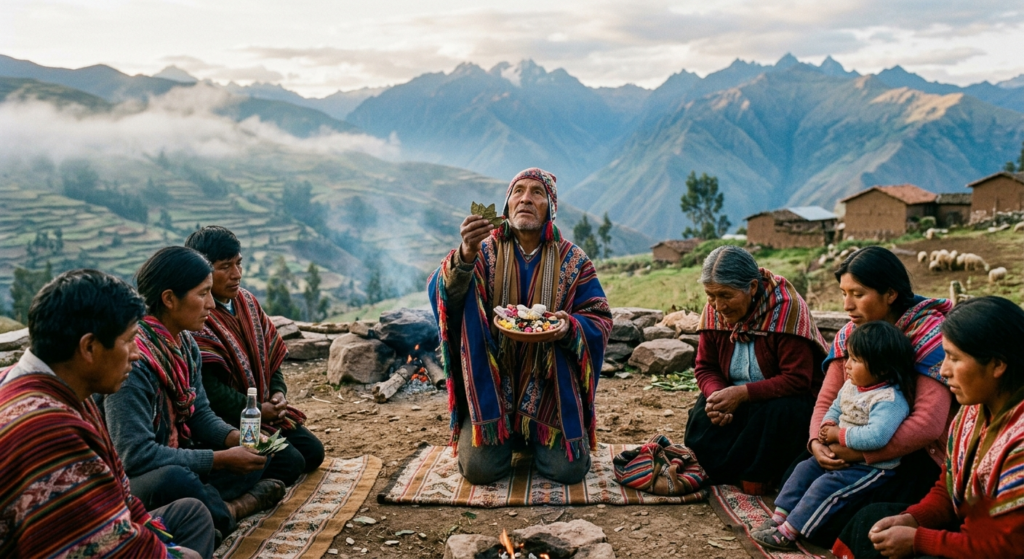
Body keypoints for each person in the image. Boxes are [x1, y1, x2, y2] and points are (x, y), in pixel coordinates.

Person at [0, 269, 215, 559]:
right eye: (128, 341)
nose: (136, 353)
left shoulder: (39, 382)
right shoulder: (48, 433)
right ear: (89, 347)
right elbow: (101, 546)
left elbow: (120, 503)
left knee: (191, 515)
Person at [427, 167, 612, 485]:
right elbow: (444, 297)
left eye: (537, 193)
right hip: (492, 388)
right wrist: (465, 256)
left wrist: (569, 326)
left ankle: (534, 435)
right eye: (518, 191)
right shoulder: (482, 251)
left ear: (550, 208)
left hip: (550, 390)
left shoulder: (574, 260)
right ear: (506, 206)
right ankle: (503, 435)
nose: (526, 198)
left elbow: (599, 317)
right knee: (480, 471)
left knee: (566, 471)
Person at [101, 247, 286, 537]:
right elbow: (135, 456)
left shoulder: (186, 345)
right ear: (170, 299)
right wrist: (221, 459)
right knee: (176, 479)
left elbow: (201, 415)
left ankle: (210, 507)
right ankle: (235, 509)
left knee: (266, 455)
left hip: (179, 452)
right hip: (133, 477)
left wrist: (237, 438)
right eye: (203, 294)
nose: (212, 304)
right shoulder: (133, 363)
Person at [790, 246, 955, 547]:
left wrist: (859, 453)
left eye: (858, 294)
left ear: (890, 294)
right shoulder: (853, 335)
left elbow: (927, 424)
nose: (847, 305)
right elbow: (828, 399)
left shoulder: (929, 336)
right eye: (843, 293)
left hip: (912, 455)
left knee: (846, 523)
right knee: (801, 474)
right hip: (852, 435)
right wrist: (818, 442)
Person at [834, 296, 1024, 558]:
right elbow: (948, 486)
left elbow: (1007, 546)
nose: (943, 370)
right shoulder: (971, 413)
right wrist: (914, 519)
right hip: (971, 534)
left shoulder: (1019, 442)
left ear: (997, 364)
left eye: (954, 358)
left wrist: (919, 539)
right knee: (873, 518)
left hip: (997, 548)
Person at [753, 321, 916, 550]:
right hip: (840, 453)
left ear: (882, 368)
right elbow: (835, 407)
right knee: (803, 470)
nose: (847, 365)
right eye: (848, 357)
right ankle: (780, 517)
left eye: (855, 360)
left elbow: (876, 437)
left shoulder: (889, 400)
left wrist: (837, 434)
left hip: (869, 468)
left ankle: (790, 532)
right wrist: (827, 423)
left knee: (827, 488)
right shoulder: (852, 385)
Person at [684, 245, 829, 494]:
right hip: (735, 397)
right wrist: (718, 396)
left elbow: (797, 379)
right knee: (702, 417)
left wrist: (741, 395)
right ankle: (729, 469)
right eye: (711, 295)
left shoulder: (786, 311)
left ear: (752, 287)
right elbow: (705, 367)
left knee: (780, 414)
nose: (718, 305)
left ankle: (759, 475)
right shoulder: (714, 311)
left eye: (726, 295)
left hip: (781, 399)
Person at [186, 226, 324, 484]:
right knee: (291, 464)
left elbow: (269, 356)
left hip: (265, 412)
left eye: (238, 264)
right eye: (225, 267)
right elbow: (210, 389)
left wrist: (278, 393)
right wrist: (258, 410)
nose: (236, 274)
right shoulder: (197, 316)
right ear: (202, 271)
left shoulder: (247, 301)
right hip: (228, 421)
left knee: (313, 453)